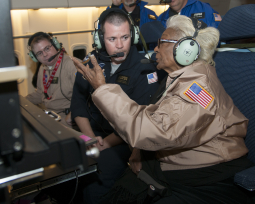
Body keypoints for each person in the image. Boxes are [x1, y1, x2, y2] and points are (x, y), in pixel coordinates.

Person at [73, 15, 254, 204]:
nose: (156, 49)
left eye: (161, 42)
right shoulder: (180, 78)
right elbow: (156, 116)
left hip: (205, 176)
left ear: (185, 49)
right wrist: (139, 151)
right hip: (178, 163)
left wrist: (102, 90)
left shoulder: (198, 89)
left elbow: (154, 129)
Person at [70, 8, 159, 203]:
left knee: (96, 175)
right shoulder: (91, 63)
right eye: (112, 39)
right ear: (101, 40)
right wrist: (90, 138)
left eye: (125, 37)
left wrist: (105, 144)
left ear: (133, 36)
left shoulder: (145, 70)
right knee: (68, 168)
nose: (120, 45)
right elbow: (77, 102)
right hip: (91, 135)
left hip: (125, 140)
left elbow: (139, 120)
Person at [25, 32, 76, 127]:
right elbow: (40, 94)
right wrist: (22, 101)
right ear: (35, 57)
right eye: (39, 53)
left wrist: (74, 113)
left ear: (56, 45)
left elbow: (87, 96)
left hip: (68, 117)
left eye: (47, 48)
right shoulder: (42, 68)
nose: (44, 55)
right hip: (51, 115)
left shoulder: (72, 65)